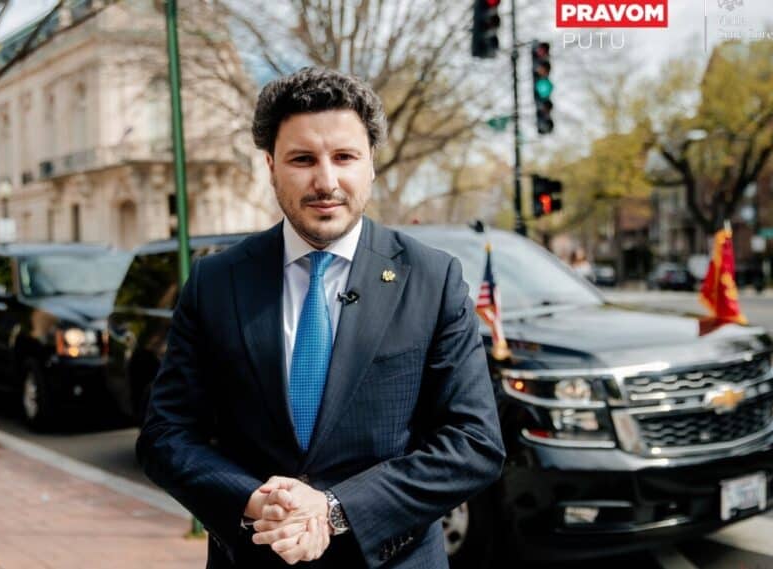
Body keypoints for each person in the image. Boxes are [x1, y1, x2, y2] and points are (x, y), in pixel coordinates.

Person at [137, 67, 505, 568]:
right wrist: (253, 501)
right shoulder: (215, 282)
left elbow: (473, 443)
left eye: (344, 157)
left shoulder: (432, 279)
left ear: (371, 163)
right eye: (303, 159)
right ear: (271, 166)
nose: (326, 181)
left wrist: (334, 510)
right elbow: (166, 435)